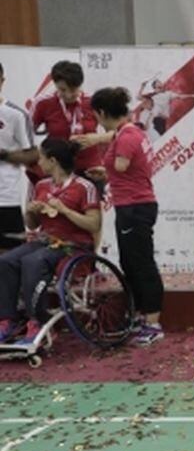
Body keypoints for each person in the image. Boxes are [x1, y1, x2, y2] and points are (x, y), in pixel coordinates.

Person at [0, 139, 100, 346]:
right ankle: (8, 320)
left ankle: (38, 321)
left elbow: (94, 224)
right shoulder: (41, 185)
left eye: (42, 157)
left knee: (33, 261)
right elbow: (32, 224)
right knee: (7, 260)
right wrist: (31, 212)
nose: (39, 161)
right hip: (45, 240)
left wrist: (65, 210)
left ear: (52, 161)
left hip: (73, 245)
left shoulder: (84, 186)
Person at [92, 86, 165, 346]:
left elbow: (122, 166)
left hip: (135, 207)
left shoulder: (126, 136)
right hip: (131, 206)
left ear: (101, 113)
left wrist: (106, 165)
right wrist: (105, 171)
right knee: (130, 262)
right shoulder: (130, 132)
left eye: (96, 116)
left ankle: (153, 323)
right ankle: (139, 316)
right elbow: (127, 168)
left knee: (142, 264)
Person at [33, 60, 106, 182]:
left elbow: (117, 132)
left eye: (73, 90)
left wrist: (97, 138)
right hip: (57, 171)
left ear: (80, 84)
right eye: (62, 89)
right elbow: (26, 134)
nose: (68, 95)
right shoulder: (43, 103)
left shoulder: (93, 102)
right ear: (55, 85)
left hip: (90, 170)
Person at [0, 63, 37, 250]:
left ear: (2, 81)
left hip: (5, 196)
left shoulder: (15, 114)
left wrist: (5, 155)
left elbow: (32, 154)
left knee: (10, 253)